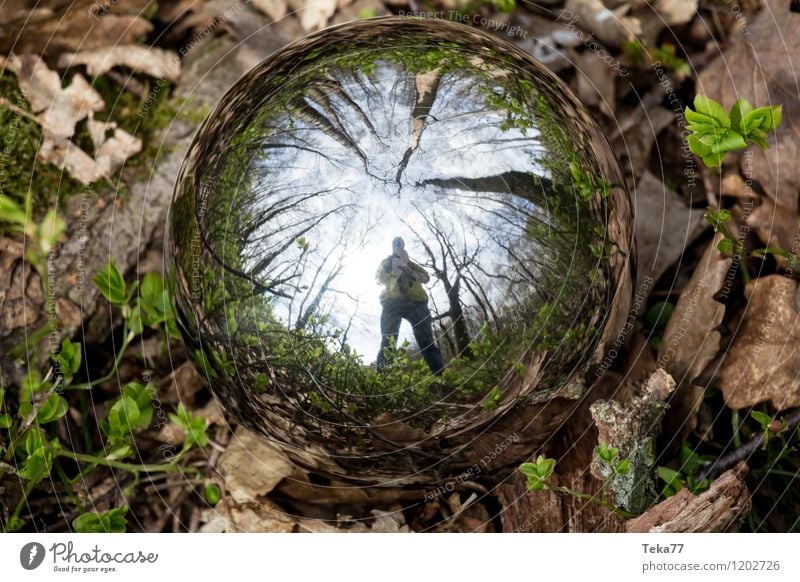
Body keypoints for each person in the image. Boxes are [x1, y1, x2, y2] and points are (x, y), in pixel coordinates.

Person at [375, 236, 444, 375]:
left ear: (404, 245)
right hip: (391, 304)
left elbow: (426, 278)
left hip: (416, 303)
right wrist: (395, 270)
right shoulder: (386, 263)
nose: (399, 246)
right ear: (392, 246)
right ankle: (382, 379)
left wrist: (409, 268)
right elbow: (378, 279)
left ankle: (440, 377)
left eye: (401, 244)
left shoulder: (412, 264)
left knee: (427, 341)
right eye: (396, 244)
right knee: (388, 341)